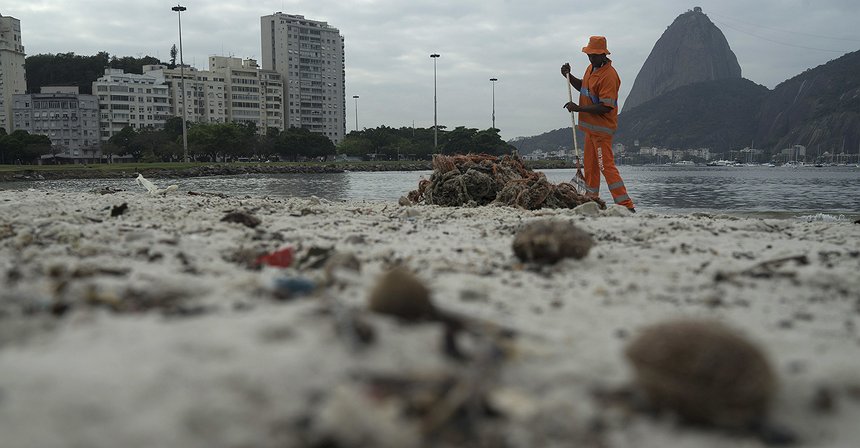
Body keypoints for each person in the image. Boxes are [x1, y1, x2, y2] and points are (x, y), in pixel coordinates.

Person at [561, 36, 635, 212]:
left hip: (602, 132)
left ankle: (626, 205)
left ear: (604, 55)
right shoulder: (591, 68)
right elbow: (584, 88)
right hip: (589, 131)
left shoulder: (609, 76)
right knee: (591, 169)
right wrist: (569, 76)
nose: (591, 58)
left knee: (605, 167)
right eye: (589, 54)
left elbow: (605, 107)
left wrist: (578, 108)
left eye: (594, 55)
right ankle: (591, 201)